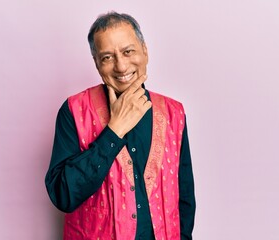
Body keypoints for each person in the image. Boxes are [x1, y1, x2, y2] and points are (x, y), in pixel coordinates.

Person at [45, 11, 196, 240]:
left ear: (145, 51)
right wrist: (114, 131)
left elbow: (185, 198)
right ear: (97, 64)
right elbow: (63, 195)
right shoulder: (74, 111)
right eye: (107, 57)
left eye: (128, 51)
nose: (121, 66)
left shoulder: (174, 113)